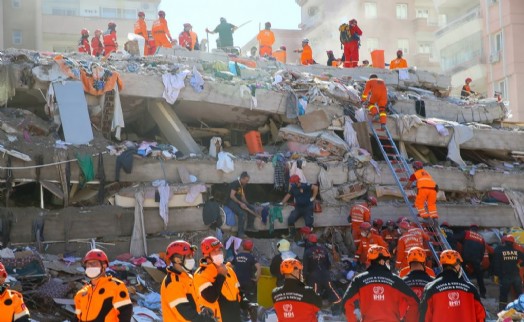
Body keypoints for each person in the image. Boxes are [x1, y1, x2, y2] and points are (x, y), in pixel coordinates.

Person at [342, 245, 419, 322]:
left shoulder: (359, 280)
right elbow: (415, 302)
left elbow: (346, 303)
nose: (388, 263)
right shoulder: (396, 280)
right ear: (382, 261)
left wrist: (352, 320)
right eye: (388, 261)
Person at [193, 236, 257, 322]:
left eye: (219, 250)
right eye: (214, 251)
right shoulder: (201, 274)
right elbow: (211, 297)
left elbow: (238, 293)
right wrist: (221, 275)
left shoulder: (229, 270)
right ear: (206, 255)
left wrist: (247, 305)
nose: (219, 253)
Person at [420, 250, 486, 322]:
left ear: (442, 265)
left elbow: (424, 317)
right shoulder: (471, 289)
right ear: (457, 265)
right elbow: (481, 316)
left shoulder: (431, 288)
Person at [161, 240, 215, 322]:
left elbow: (192, 300)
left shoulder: (186, 276)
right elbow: (185, 313)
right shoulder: (173, 283)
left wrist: (202, 308)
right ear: (177, 260)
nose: (191, 259)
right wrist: (205, 320)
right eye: (189, 256)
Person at [74, 249, 132, 321]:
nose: (90, 267)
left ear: (104, 265)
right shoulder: (81, 293)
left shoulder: (116, 286)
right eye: (88, 264)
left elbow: (125, 313)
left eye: (94, 263)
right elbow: (77, 317)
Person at [302, 234, 342, 306]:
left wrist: (304, 278)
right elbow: (328, 264)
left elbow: (305, 267)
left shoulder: (307, 252)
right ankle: (338, 306)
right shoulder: (323, 250)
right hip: (325, 274)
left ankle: (316, 309)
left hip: (314, 277)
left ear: (309, 242)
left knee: (315, 293)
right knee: (332, 290)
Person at [454, 224, 487, 298]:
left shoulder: (467, 233)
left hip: (466, 256)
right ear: (477, 230)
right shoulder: (481, 238)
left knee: (460, 272)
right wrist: (479, 260)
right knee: (479, 276)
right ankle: (483, 293)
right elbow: (483, 250)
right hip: (477, 258)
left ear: (470, 228)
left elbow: (455, 238)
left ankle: (459, 288)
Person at [493, 235, 524, 310]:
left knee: (503, 296)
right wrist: (520, 265)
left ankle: (502, 312)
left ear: (504, 242)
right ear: (513, 243)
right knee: (520, 294)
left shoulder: (499, 251)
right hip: (516, 277)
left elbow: (496, 265)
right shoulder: (516, 252)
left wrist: (497, 275)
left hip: (505, 277)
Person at [228, 171, 257, 237]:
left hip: (237, 201)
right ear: (242, 178)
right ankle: (240, 233)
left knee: (252, 208)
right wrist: (240, 203)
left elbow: (242, 197)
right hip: (230, 202)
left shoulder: (241, 185)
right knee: (242, 213)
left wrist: (247, 204)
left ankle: (250, 226)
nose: (247, 182)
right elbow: (232, 196)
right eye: (246, 180)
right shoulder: (236, 183)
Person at [232, 239, 261, 305]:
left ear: (242, 247)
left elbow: (230, 267)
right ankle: (252, 305)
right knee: (255, 293)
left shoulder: (237, 256)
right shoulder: (251, 257)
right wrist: (257, 279)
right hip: (248, 283)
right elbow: (259, 268)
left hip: (237, 283)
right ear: (251, 248)